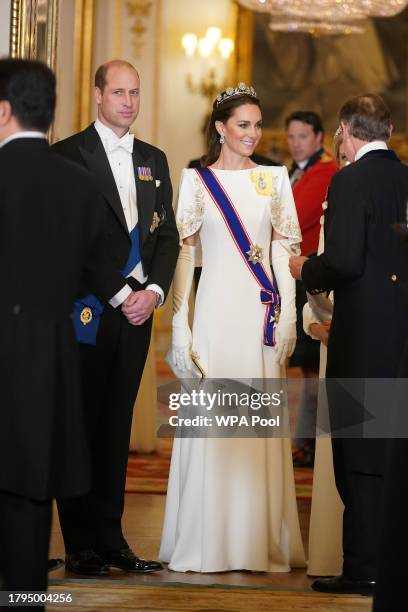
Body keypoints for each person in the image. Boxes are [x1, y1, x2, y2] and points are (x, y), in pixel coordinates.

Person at [0, 58, 134, 605]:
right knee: (31, 497)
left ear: (4, 110)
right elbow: (100, 270)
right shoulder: (79, 186)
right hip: (52, 365)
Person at [159, 84, 306, 572]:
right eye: (243, 124)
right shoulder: (197, 181)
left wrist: (286, 318)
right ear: (221, 128)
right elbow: (183, 256)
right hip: (215, 319)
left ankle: (254, 543)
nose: (253, 133)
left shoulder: (273, 178)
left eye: (258, 124)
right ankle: (206, 543)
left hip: (258, 323)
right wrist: (180, 327)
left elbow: (285, 252)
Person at [53, 59, 179, 576]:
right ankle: (80, 544)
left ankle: (112, 540)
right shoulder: (67, 156)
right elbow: (68, 241)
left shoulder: (153, 158)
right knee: (79, 427)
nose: (128, 102)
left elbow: (166, 235)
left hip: (136, 316)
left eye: (135, 92)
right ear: (98, 95)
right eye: (119, 92)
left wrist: (152, 291)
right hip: (88, 311)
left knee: (115, 430)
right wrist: (120, 289)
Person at [289, 93, 408, 595]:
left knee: (358, 460)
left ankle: (363, 569)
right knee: (392, 457)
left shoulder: (349, 180)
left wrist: (304, 270)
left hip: (361, 340)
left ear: (345, 131)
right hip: (401, 340)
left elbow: (344, 261)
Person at [303, 129, 347, 577]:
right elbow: (316, 280)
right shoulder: (331, 207)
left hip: (360, 339)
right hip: (328, 337)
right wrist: (312, 322)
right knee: (334, 449)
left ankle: (357, 555)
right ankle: (331, 553)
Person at [286, 111, 338, 468]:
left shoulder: (325, 172)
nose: (295, 143)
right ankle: (306, 439)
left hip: (311, 276)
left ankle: (310, 442)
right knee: (304, 368)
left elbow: (291, 215)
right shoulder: (291, 171)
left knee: (311, 368)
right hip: (293, 276)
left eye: (302, 136)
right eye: (291, 136)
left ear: (319, 137)